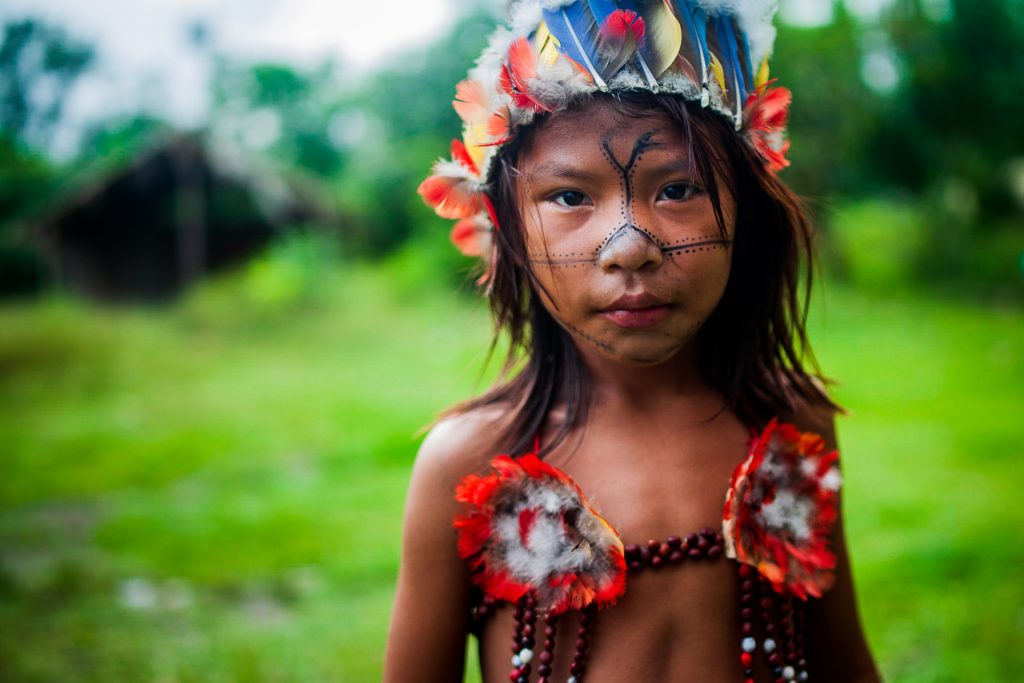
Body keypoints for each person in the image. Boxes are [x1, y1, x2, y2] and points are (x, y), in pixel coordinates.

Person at [385, 1, 881, 681]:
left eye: (678, 188)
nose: (629, 248)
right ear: (508, 228)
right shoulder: (466, 462)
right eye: (569, 197)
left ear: (746, 212)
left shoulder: (793, 428)